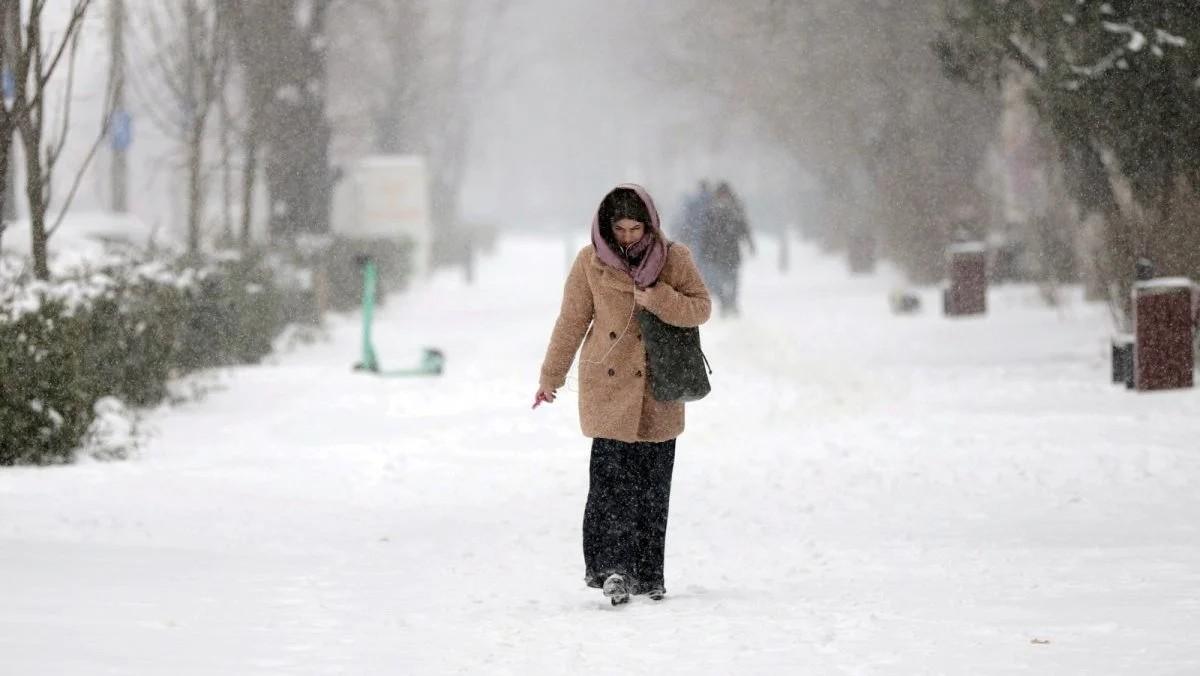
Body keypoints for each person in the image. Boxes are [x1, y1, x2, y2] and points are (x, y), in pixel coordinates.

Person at [535, 183, 711, 605]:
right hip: (609, 387)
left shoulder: (675, 258)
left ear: (650, 225)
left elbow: (701, 307)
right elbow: (571, 322)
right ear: (606, 227)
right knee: (609, 486)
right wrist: (550, 377)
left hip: (658, 387)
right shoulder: (589, 263)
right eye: (620, 229)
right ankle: (612, 571)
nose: (629, 237)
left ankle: (649, 575)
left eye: (636, 229)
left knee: (652, 488)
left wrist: (659, 298)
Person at [698, 182, 754, 317]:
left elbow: (744, 228)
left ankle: (732, 303)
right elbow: (705, 232)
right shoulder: (712, 211)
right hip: (717, 253)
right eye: (721, 195)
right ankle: (725, 303)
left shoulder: (734, 210)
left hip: (731, 252)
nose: (723, 197)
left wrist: (750, 243)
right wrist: (704, 249)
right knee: (718, 281)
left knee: (732, 280)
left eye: (724, 194)